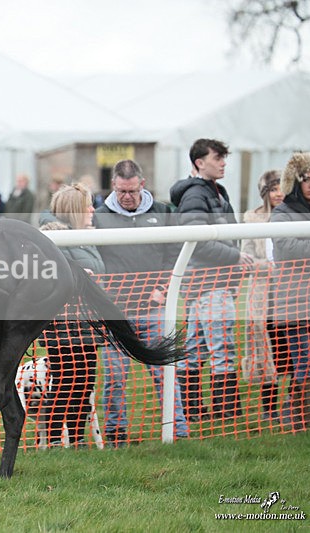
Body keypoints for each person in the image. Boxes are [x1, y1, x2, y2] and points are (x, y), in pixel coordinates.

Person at [93, 160, 188, 446]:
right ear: (113, 187)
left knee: (165, 372)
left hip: (154, 309)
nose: (127, 197)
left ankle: (177, 430)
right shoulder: (99, 217)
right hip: (116, 313)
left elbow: (176, 254)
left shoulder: (163, 212)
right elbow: (94, 260)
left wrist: (163, 288)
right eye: (122, 191)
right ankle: (115, 433)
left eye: (132, 191)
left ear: (142, 185)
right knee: (115, 377)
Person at [170, 139, 254, 421]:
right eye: (217, 157)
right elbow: (198, 240)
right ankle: (226, 412)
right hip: (209, 284)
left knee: (196, 350)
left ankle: (193, 410)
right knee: (222, 348)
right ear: (199, 162)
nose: (223, 163)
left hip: (204, 284)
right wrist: (235, 257)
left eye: (224, 158)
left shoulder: (215, 191)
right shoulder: (196, 195)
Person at [38, 183, 104, 448]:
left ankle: (77, 442)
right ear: (75, 209)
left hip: (87, 321)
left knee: (85, 383)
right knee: (65, 382)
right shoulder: (54, 237)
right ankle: (53, 441)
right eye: (87, 205)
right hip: (62, 324)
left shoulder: (86, 235)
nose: (92, 209)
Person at [269, 152, 310, 431]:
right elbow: (286, 250)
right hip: (295, 303)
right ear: (295, 182)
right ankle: (299, 419)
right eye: (307, 179)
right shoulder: (282, 213)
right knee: (306, 364)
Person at [241, 170, 285, 421]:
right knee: (265, 346)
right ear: (265, 192)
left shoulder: (294, 215)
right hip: (263, 291)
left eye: (281, 188)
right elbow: (245, 257)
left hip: (290, 290)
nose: (278, 194)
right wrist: (265, 267)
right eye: (273, 189)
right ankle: (270, 408)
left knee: (286, 345)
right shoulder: (252, 219)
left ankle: (294, 402)